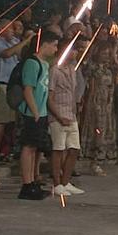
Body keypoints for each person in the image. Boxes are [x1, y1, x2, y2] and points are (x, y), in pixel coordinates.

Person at [0, 21, 33, 164]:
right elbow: (6, 54)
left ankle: (5, 150)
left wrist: (27, 43)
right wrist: (25, 41)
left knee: (10, 120)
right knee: (0, 118)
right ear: (2, 29)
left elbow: (21, 55)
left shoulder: (14, 42)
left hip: (11, 85)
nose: (13, 31)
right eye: (11, 28)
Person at [17, 35, 57, 200]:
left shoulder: (44, 64)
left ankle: (32, 181)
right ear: (44, 44)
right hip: (32, 113)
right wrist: (34, 112)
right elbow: (28, 89)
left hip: (41, 112)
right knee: (28, 147)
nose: (55, 49)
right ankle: (27, 184)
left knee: (34, 148)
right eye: (54, 45)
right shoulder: (31, 63)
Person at [49, 35, 84, 196]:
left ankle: (66, 181)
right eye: (73, 50)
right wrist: (58, 115)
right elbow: (50, 97)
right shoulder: (54, 70)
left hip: (71, 115)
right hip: (58, 116)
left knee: (74, 149)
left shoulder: (72, 69)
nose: (76, 53)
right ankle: (57, 183)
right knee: (58, 149)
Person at [81, 29, 118, 175]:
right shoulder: (93, 67)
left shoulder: (109, 68)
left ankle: (99, 159)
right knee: (96, 130)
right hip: (96, 101)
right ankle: (93, 160)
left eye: (108, 54)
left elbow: (114, 82)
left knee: (104, 130)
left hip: (107, 102)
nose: (106, 56)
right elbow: (90, 83)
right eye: (104, 53)